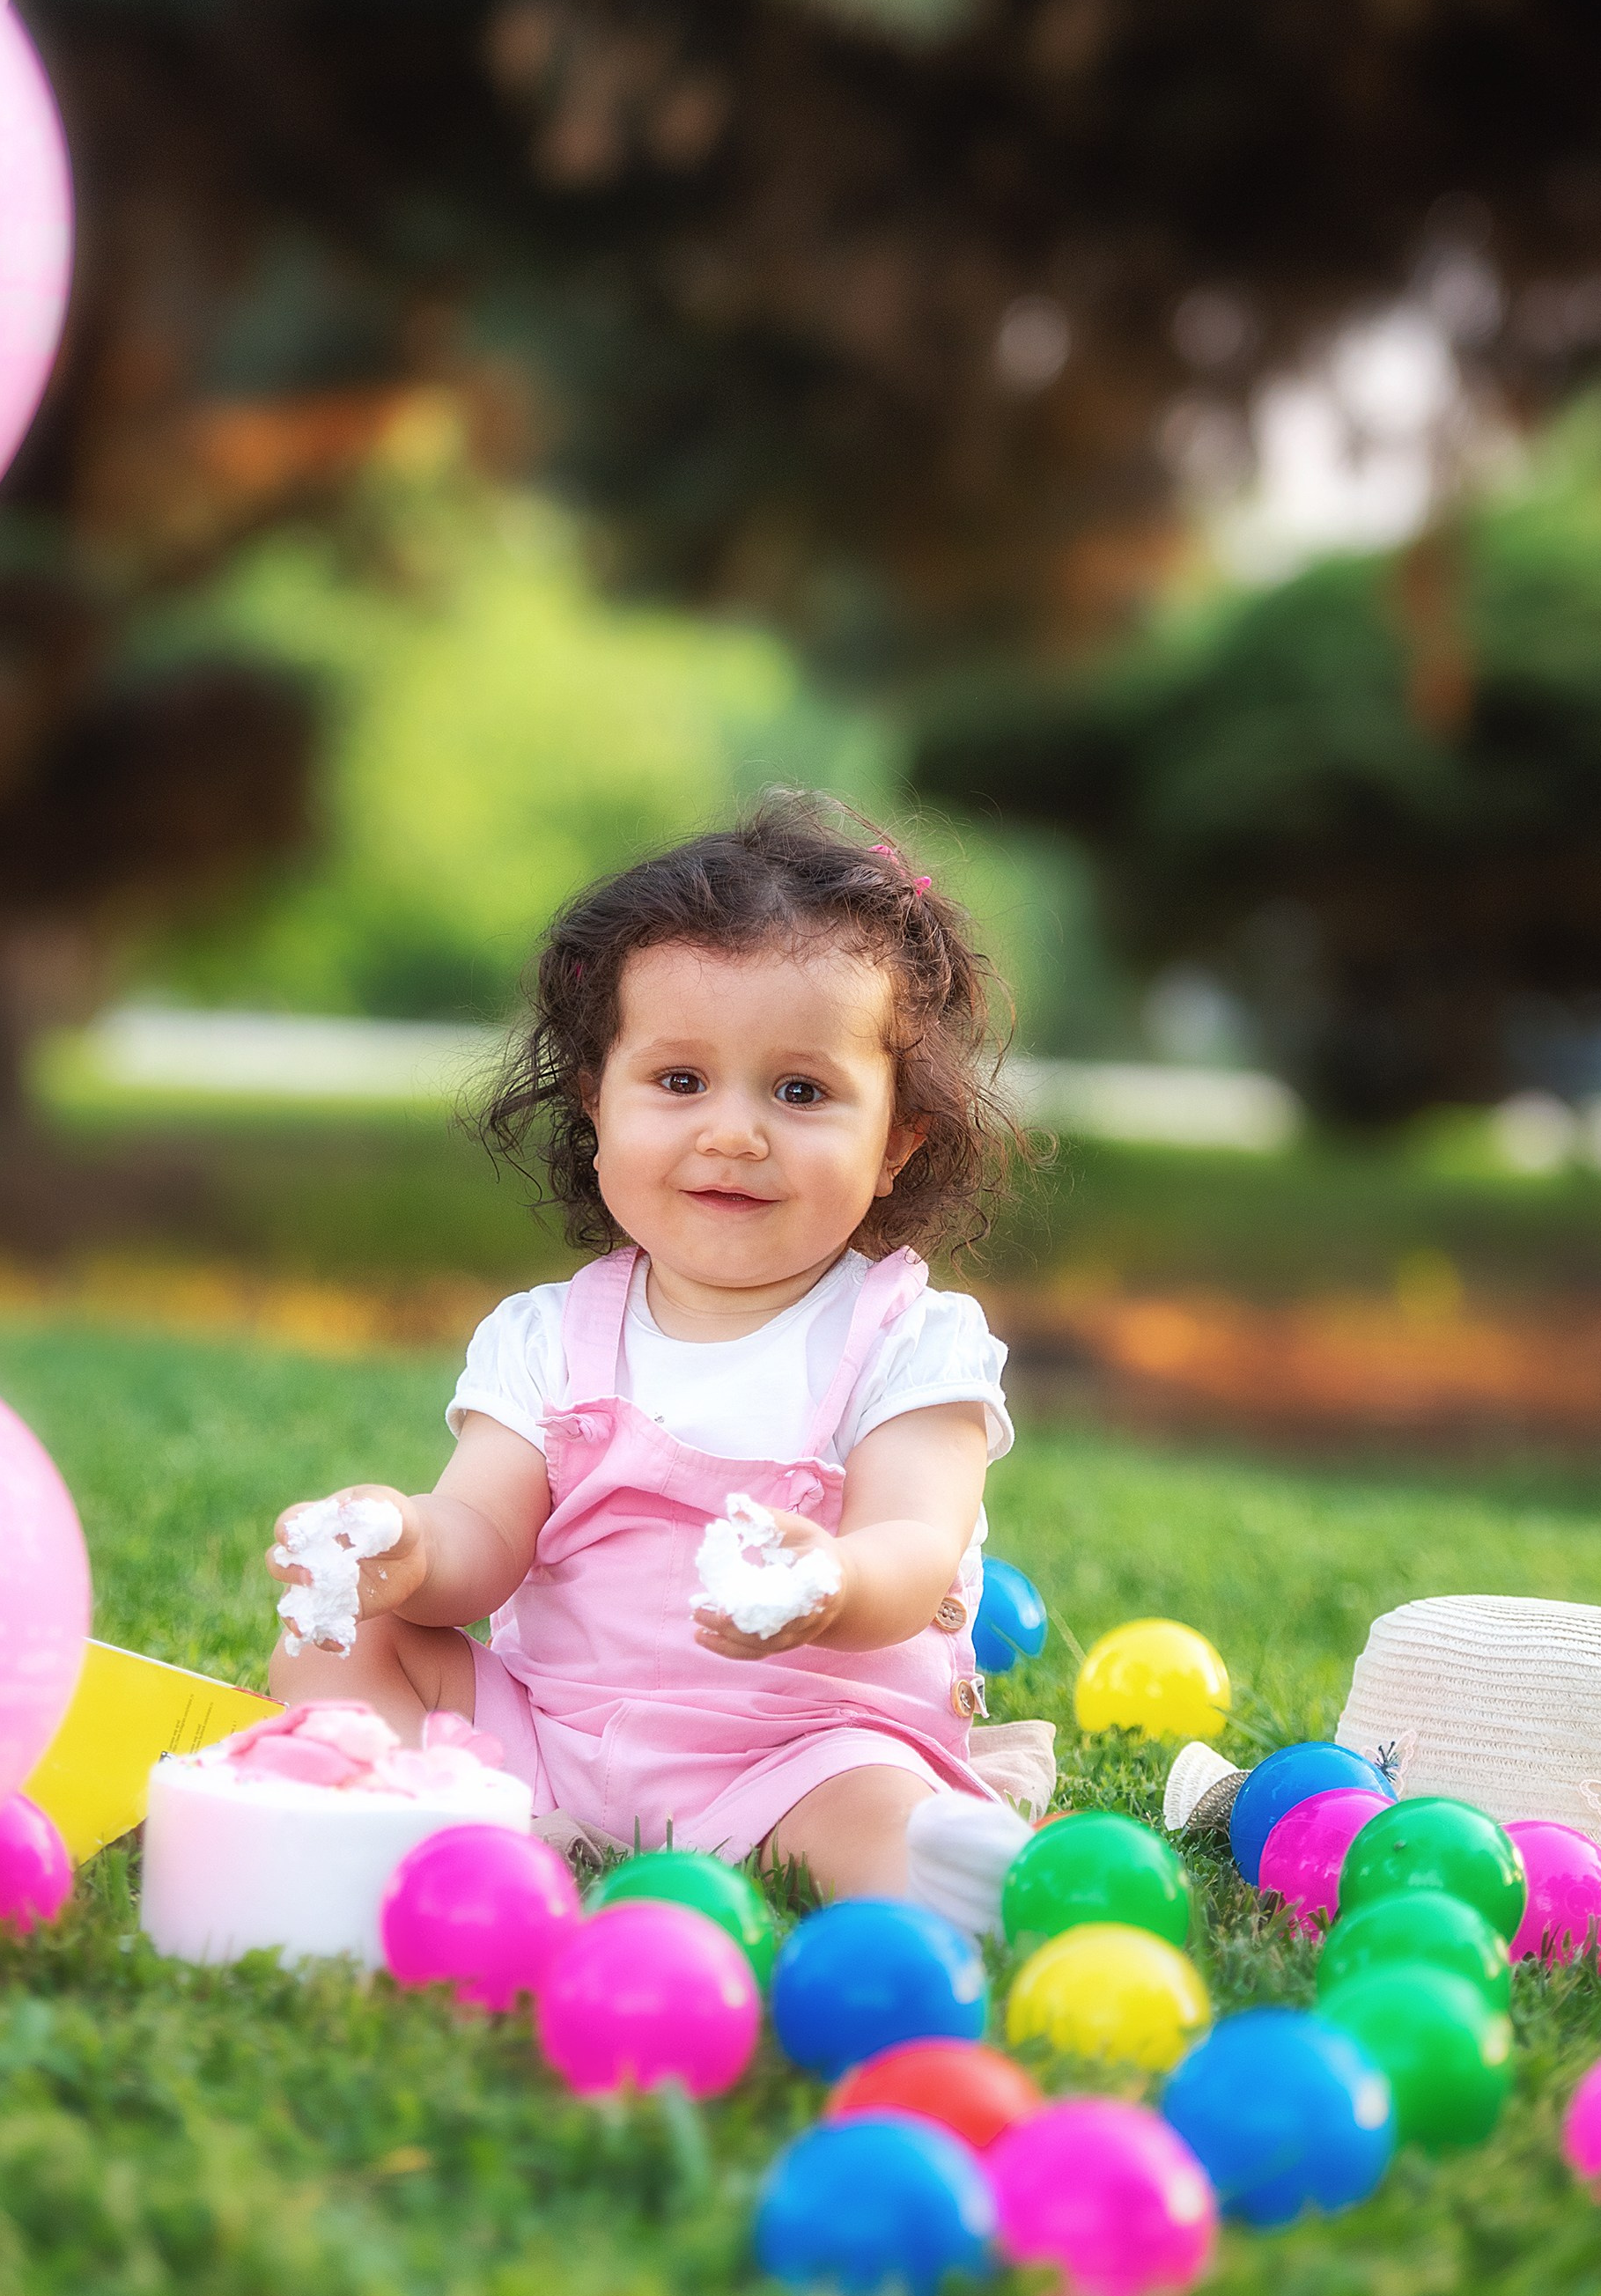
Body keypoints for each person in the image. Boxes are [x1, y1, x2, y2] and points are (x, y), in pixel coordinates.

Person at [266, 796, 1052, 1900]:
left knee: (877, 1814)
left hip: (802, 1751)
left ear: (896, 1144)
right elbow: (482, 1536)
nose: (733, 1133)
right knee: (341, 1647)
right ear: (597, 1109)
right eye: (680, 1082)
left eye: (801, 1090)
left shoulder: (912, 1341)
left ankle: (932, 1866)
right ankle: (480, 1832)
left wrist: (831, 1581)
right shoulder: (546, 1338)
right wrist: (398, 1543)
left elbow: (916, 1546)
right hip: (548, 1738)